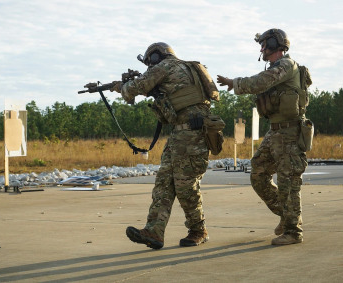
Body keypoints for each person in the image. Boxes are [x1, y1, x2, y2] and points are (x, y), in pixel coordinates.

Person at [110, 42, 217, 249]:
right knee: (164, 183)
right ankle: (154, 231)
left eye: (150, 62)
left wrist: (121, 87)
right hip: (182, 134)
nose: (150, 67)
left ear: (157, 57)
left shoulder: (165, 67)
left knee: (186, 186)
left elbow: (135, 88)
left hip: (192, 135)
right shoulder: (187, 68)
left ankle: (198, 230)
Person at [217, 28, 311, 245]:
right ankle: (287, 216)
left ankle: (293, 231)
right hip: (276, 131)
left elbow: (262, 81)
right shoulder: (278, 67)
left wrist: (235, 83)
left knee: (288, 181)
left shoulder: (287, 66)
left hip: (289, 132)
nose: (261, 49)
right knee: (258, 173)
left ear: (276, 45)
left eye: (264, 44)